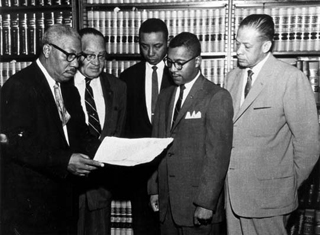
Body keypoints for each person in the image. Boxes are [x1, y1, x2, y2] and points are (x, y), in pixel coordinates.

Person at [0, 24, 104, 235]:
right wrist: (65, 161)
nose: (75, 64)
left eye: (78, 56)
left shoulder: (68, 88)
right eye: (69, 56)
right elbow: (17, 144)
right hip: (31, 211)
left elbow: (80, 136)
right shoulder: (19, 86)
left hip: (64, 204)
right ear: (47, 50)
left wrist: (112, 150)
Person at [224, 14, 320, 235]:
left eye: (246, 46)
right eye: (238, 43)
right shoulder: (231, 78)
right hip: (233, 198)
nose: (238, 50)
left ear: (266, 45)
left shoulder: (290, 79)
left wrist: (285, 185)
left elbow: (308, 146)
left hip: (270, 197)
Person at [148, 32, 234, 234]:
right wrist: (153, 189)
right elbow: (155, 145)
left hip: (198, 206)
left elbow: (218, 156)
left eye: (180, 63)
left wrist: (207, 203)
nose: (173, 69)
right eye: (169, 62)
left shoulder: (216, 97)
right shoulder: (165, 96)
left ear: (197, 61)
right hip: (167, 204)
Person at [119, 18, 174, 234]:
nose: (150, 52)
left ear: (167, 43)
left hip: (171, 168)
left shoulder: (177, 75)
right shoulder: (127, 78)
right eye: (144, 46)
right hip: (139, 173)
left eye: (157, 46)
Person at [74, 27, 127, 235]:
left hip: (101, 188)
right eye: (89, 56)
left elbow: (118, 134)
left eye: (101, 56)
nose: (96, 62)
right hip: (68, 189)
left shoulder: (118, 88)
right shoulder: (62, 86)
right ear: (77, 54)